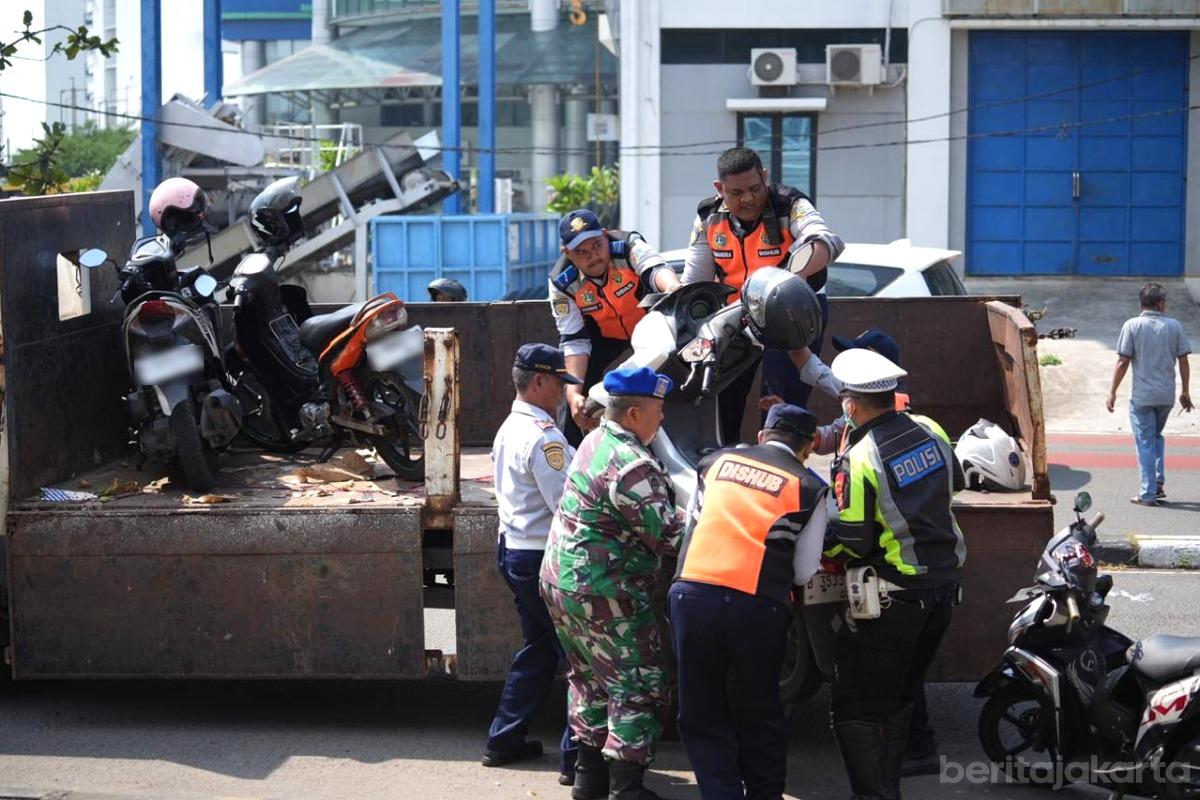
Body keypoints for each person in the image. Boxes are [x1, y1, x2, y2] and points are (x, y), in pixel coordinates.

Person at [825, 348, 965, 800]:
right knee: (901, 693)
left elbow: (855, 539)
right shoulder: (932, 430)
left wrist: (815, 537)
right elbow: (954, 484)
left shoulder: (861, 457)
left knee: (857, 706)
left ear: (851, 403)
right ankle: (889, 787)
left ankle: (874, 794)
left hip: (894, 600)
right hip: (943, 591)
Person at [669, 404, 829, 800]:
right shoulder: (809, 486)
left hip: (693, 594)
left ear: (762, 436)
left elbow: (693, 522)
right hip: (757, 606)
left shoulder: (715, 463)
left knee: (700, 712)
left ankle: (721, 792)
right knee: (761, 711)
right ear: (808, 447)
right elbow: (805, 572)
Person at [541, 366, 684, 800]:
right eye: (658, 410)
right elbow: (668, 535)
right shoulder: (633, 464)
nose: (662, 418)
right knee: (638, 683)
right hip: (606, 592)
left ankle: (589, 782)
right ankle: (627, 790)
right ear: (636, 412)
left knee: (588, 678)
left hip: (563, 584)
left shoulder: (596, 440)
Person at [683, 147, 844, 443]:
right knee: (722, 399)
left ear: (765, 178)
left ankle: (782, 463)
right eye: (736, 192)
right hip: (735, 316)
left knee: (782, 403)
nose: (747, 199)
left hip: (789, 311)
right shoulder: (707, 217)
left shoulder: (790, 204)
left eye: (755, 189)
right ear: (720, 189)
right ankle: (723, 469)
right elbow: (693, 283)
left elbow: (827, 242)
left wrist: (789, 280)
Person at [481, 344, 580, 784]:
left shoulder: (510, 426)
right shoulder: (545, 437)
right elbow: (567, 506)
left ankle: (504, 740)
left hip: (516, 550)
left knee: (540, 649)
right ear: (538, 381)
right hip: (541, 555)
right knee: (578, 656)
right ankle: (577, 762)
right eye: (559, 382)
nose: (563, 391)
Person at [549, 210, 681, 447]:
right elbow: (573, 340)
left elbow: (655, 268)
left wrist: (673, 288)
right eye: (581, 252)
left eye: (597, 245)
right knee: (571, 393)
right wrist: (574, 395)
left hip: (650, 325)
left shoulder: (627, 245)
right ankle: (573, 461)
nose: (593, 256)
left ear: (604, 234)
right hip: (601, 336)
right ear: (567, 253)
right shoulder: (561, 281)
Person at [1106, 282, 1193, 506]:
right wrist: (1185, 390)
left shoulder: (1132, 326)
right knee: (1155, 437)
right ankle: (1157, 481)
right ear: (1160, 303)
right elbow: (1183, 360)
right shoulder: (1174, 326)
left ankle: (1148, 493)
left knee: (1145, 441)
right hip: (1166, 396)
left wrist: (1112, 392)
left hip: (1142, 397)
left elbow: (1122, 362)